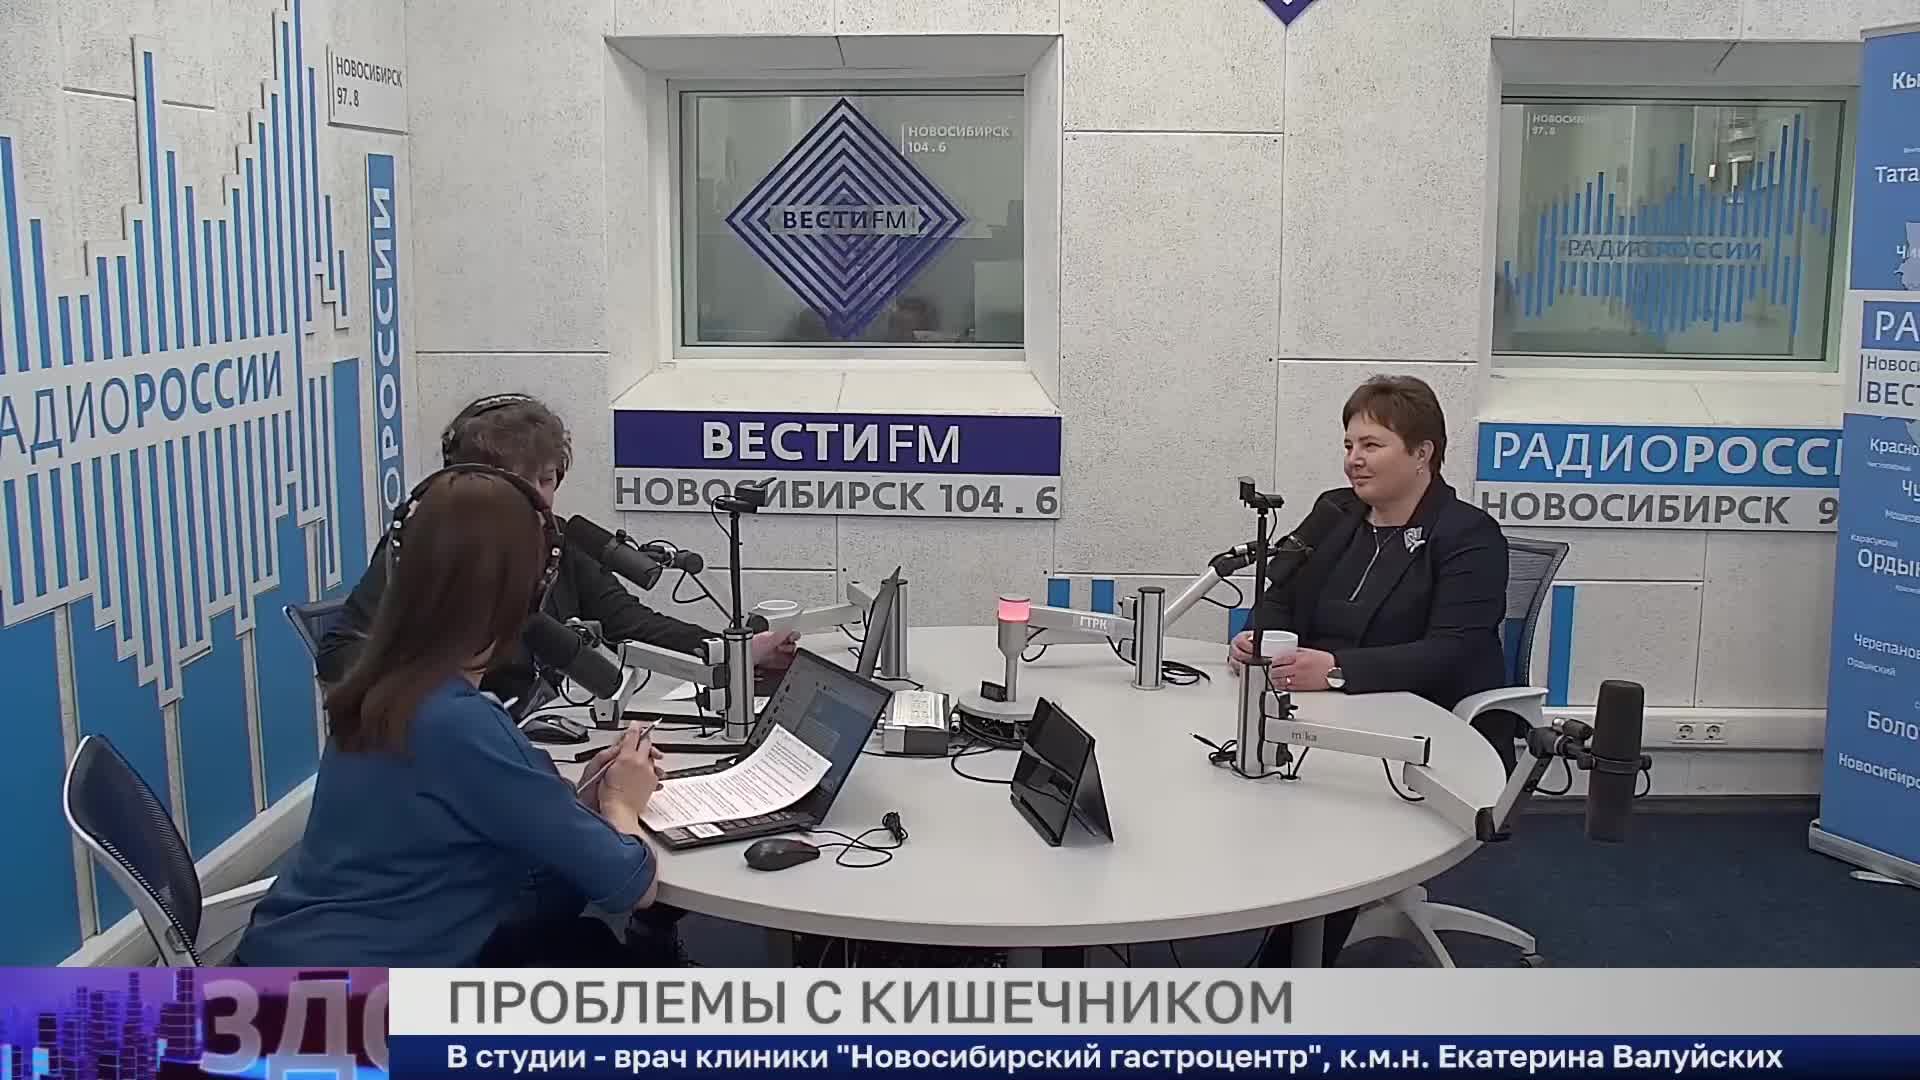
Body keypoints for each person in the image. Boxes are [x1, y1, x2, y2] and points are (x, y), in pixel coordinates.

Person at [236, 466, 668, 966]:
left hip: (275, 972)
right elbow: (632, 885)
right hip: (351, 1003)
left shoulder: (381, 690)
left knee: (582, 944)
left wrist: (584, 797)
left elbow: (495, 816)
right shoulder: (460, 725)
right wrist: (620, 802)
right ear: (526, 596)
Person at [1228, 375, 1511, 967]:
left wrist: (1336, 670)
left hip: (1423, 730)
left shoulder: (1468, 536)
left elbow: (1454, 650)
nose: (1354, 459)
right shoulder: (1337, 513)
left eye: (1372, 445)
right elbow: (1278, 595)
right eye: (1349, 444)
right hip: (1315, 713)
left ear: (1423, 453)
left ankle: (1282, 977)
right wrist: (1259, 638)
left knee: (1326, 825)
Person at [315, 394, 799, 702]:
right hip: (459, 743)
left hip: (538, 730)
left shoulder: (558, 542)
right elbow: (339, 656)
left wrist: (732, 650)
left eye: (546, 480)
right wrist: (452, 702)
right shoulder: (425, 546)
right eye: (520, 482)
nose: (539, 498)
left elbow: (629, 622)